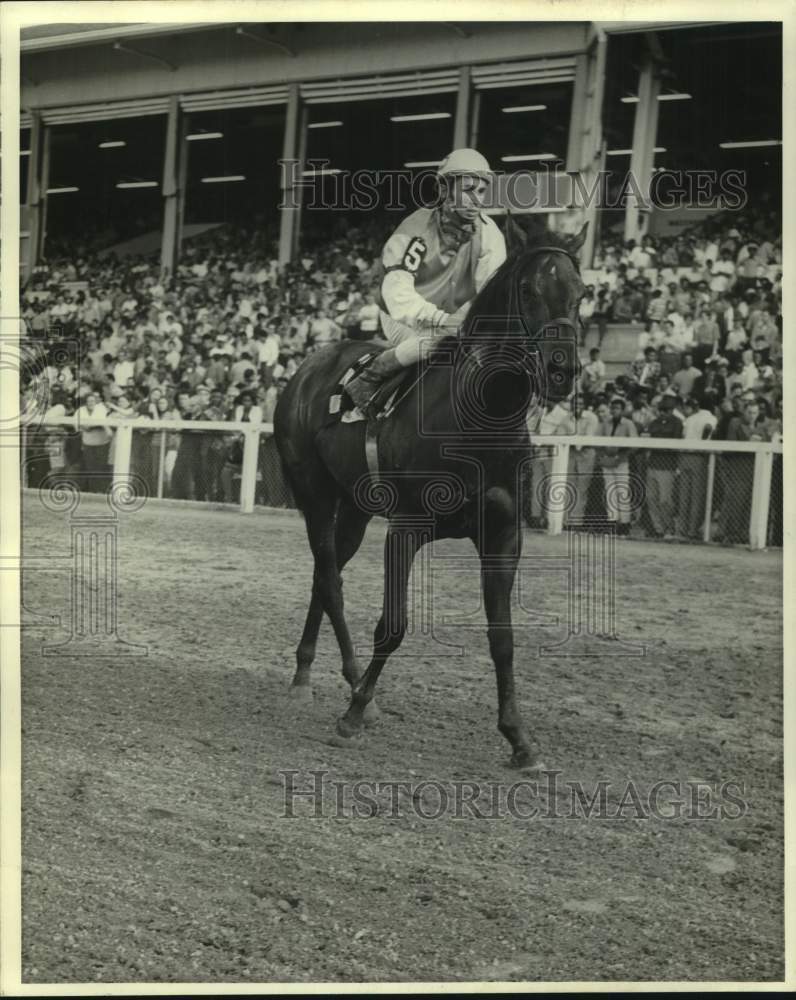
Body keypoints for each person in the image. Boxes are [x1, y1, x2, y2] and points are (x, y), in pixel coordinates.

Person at [344, 148, 507, 411]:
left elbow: (487, 291)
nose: (476, 199)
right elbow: (398, 296)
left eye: (481, 191)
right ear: (444, 190)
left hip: (455, 317)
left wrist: (466, 321)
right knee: (438, 344)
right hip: (401, 315)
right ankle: (369, 377)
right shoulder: (413, 230)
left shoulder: (491, 235)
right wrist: (442, 321)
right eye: (467, 190)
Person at [643, 391, 684, 538]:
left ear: (672, 410)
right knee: (651, 497)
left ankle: (669, 528)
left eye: (667, 410)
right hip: (653, 463)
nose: (664, 412)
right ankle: (658, 528)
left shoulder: (677, 423)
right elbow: (647, 436)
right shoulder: (654, 422)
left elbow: (674, 443)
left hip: (668, 465)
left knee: (665, 500)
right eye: (662, 409)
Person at [677, 396, 717, 540]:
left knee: (685, 495)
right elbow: (708, 428)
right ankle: (691, 530)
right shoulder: (707, 417)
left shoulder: (695, 418)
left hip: (687, 456)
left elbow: (684, 435)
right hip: (698, 457)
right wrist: (703, 442)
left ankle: (683, 528)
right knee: (695, 496)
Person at [597, 396, 638, 535]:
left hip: (621, 461)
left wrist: (619, 458)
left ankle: (625, 525)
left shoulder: (628, 424)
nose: (614, 411)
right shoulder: (605, 423)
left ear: (622, 410)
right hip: (607, 461)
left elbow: (634, 445)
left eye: (617, 408)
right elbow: (597, 440)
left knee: (622, 493)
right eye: (612, 408)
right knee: (610, 492)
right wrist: (602, 456)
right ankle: (612, 523)